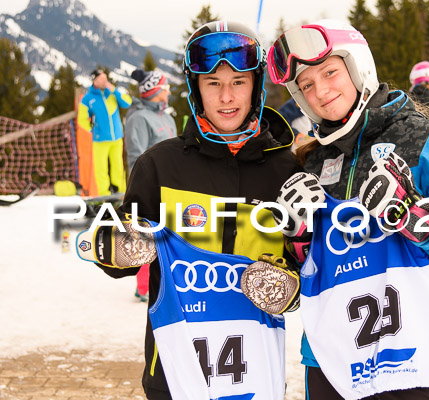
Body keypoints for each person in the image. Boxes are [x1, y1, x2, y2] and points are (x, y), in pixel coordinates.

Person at [246, 19, 429, 399]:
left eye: (330, 72)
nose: (320, 92)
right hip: (330, 365)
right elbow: (306, 269)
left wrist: (412, 215)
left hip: (413, 361)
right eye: (307, 85)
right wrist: (297, 238)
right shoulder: (312, 160)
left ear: (358, 66)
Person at [76, 21, 302, 399]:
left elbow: (304, 265)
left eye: (238, 82)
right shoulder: (159, 166)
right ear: (196, 90)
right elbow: (120, 257)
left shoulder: (286, 171)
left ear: (257, 86)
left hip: (256, 369)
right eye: (213, 84)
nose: (226, 97)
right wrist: (115, 246)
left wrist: (289, 289)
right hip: (174, 372)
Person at [125, 68, 176, 303]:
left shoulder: (168, 117)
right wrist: (142, 188)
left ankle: (170, 280)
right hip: (152, 187)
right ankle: (144, 286)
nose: (168, 91)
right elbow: (137, 156)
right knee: (149, 236)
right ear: (156, 91)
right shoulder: (139, 118)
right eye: (165, 87)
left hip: (173, 185)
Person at [77, 68, 132, 196]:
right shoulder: (87, 99)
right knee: (101, 169)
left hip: (117, 138)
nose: (105, 81)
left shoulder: (112, 93)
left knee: (118, 167)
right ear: (94, 81)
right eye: (102, 79)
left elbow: (127, 103)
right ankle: (104, 195)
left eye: (105, 78)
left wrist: (114, 90)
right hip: (100, 139)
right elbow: (82, 119)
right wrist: (92, 130)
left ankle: (121, 193)